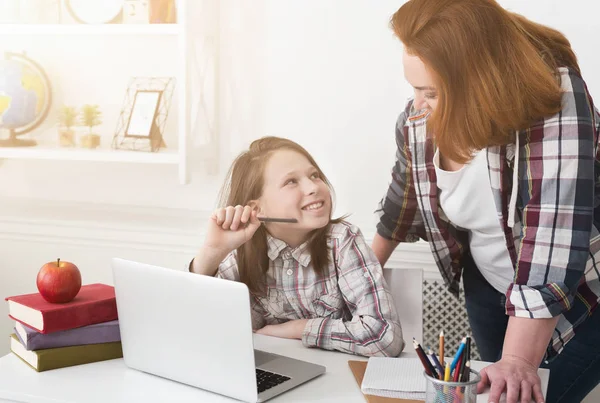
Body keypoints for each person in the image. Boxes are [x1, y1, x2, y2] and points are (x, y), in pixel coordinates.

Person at [373, 1, 600, 402]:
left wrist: (517, 358)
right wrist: (359, 281)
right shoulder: (416, 121)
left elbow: (550, 234)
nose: (418, 105)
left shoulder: (555, 99)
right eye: (414, 88)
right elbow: (401, 206)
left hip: (584, 290)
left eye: (433, 92)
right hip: (491, 285)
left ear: (479, 81)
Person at [189, 136, 404, 357]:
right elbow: (197, 332)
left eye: (314, 175)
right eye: (291, 181)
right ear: (257, 209)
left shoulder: (343, 241)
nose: (313, 187)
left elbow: (385, 337)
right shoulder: (241, 251)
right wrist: (212, 252)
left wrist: (298, 329)